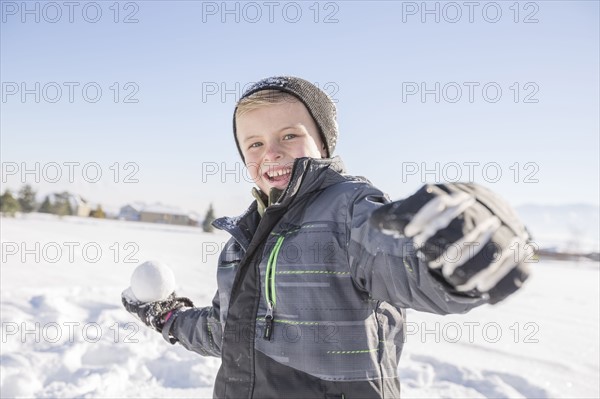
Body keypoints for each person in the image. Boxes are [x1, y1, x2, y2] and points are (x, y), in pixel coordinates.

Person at [122, 76, 532, 398]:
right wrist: (168, 316)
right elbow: (227, 332)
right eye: (255, 143)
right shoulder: (241, 241)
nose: (272, 153)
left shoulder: (350, 209)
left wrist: (454, 261)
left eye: (289, 136)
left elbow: (402, 268)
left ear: (323, 142)